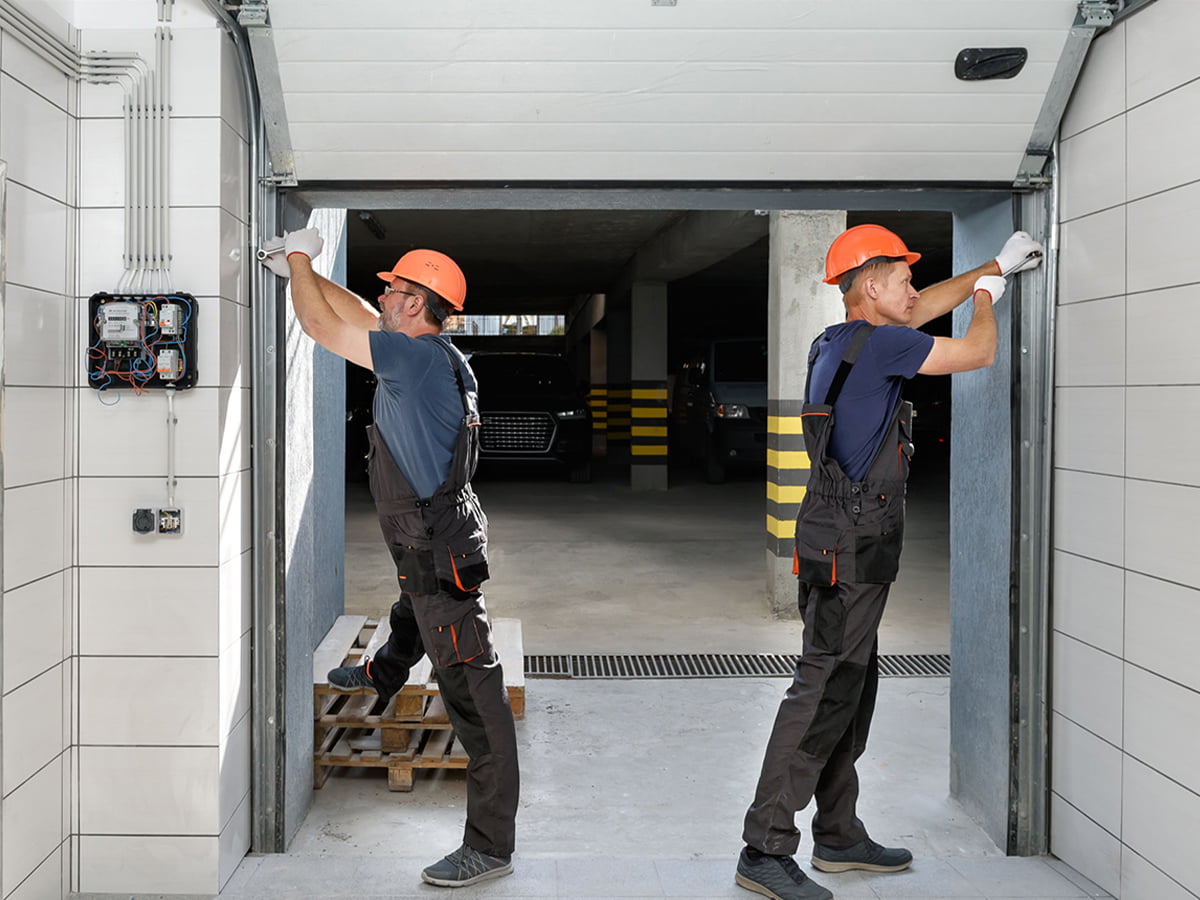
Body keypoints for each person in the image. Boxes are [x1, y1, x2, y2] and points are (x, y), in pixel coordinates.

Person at [735, 225, 1044, 900]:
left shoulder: (840, 341)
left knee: (852, 684)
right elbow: (977, 351)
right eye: (901, 278)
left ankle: (840, 835)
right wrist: (988, 295)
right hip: (852, 544)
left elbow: (924, 307)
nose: (912, 287)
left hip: (838, 540)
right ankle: (764, 845)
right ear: (870, 288)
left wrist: (994, 265)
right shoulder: (885, 345)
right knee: (821, 689)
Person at [261, 229, 519, 889]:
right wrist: (304, 270)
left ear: (414, 303)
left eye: (392, 290)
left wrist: (299, 261)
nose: (381, 295)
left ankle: (489, 846)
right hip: (433, 539)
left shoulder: (415, 362)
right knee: (414, 607)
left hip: (438, 549)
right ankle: (384, 673)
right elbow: (351, 312)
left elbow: (321, 325)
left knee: (476, 700)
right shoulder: (426, 353)